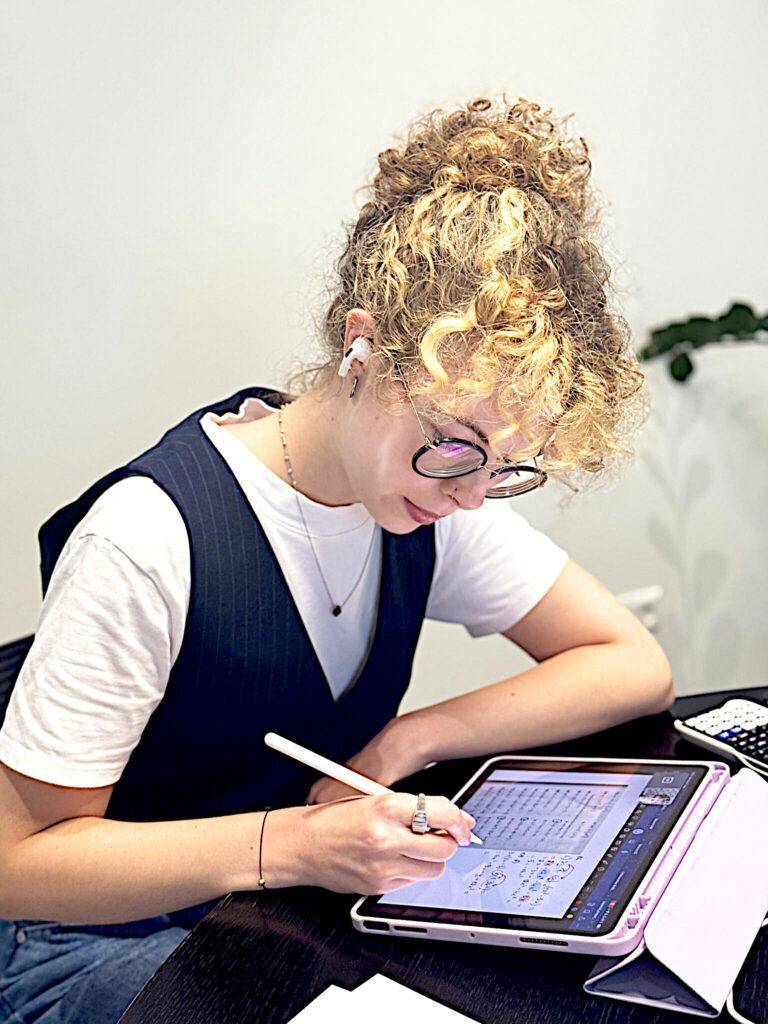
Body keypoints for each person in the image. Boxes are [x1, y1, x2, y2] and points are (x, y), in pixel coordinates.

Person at [0, 95, 673, 1023]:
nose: (470, 495)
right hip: (88, 943)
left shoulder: (421, 494)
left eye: (509, 468)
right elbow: (18, 866)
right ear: (363, 350)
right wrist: (299, 845)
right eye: (456, 445)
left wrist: (407, 740)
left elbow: (631, 664)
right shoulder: (150, 538)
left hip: (276, 911)